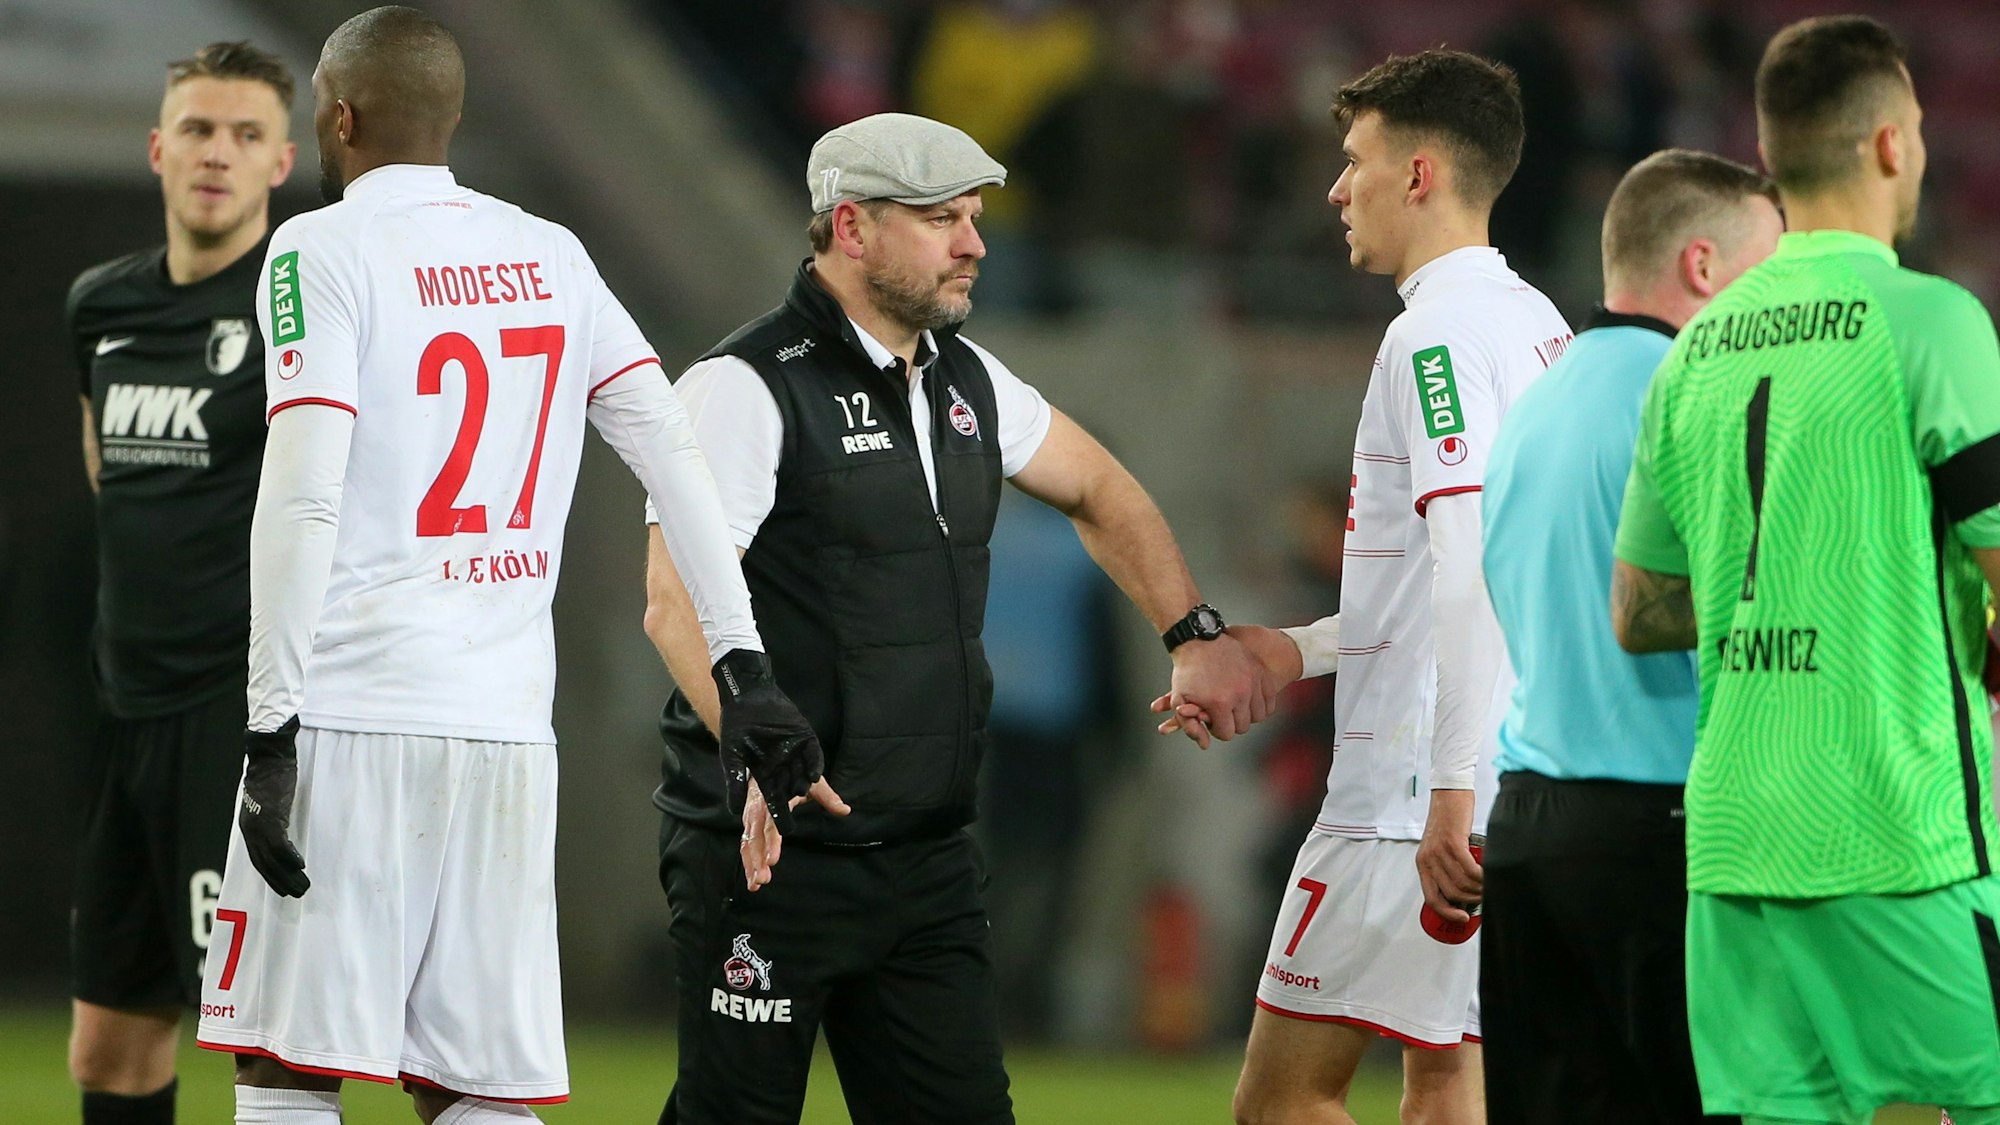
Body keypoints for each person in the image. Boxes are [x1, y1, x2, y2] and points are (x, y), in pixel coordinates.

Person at [191, 9, 823, 1124]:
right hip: (508, 737)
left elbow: (303, 491)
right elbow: (670, 450)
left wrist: (270, 725)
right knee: (473, 1085)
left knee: (285, 1067)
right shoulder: (551, 253)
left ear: (339, 117)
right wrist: (745, 666)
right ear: (453, 116)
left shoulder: (318, 248)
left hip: (353, 711)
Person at [641, 111, 1270, 1125]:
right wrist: (750, 737)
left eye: (973, 217)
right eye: (941, 219)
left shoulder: (969, 378)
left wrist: (1190, 632)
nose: (974, 243)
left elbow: (1101, 488)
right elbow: (672, 600)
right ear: (852, 228)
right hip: (771, 853)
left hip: (925, 857)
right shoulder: (742, 386)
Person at [1161, 49, 1573, 1125]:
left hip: (1410, 802)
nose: (1338, 189)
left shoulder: (1432, 336)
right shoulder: (1541, 327)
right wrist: (1297, 649)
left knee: (1280, 1100)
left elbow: (1470, 565)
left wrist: (1449, 791)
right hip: (1518, 776)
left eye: (1355, 161)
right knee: (1446, 1085)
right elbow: (1501, 576)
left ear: (1419, 174)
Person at [1611, 15, 2000, 1125]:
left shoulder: (1691, 350)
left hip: (1734, 843)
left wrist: (1785, 589)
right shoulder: (1931, 322)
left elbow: (1636, 611)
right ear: (1889, 142)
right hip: (1897, 828)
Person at [1480, 149, 1781, 1125]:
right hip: (1660, 831)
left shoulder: (1533, 405)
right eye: (1768, 269)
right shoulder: (1701, 397)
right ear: (1702, 265)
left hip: (1528, 829)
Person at [63, 41, 297, 1125]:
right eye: (199, 129)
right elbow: (105, 468)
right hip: (128, 716)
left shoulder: (298, 313)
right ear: (159, 149)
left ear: (281, 164)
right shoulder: (99, 305)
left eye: (246, 135)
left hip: (233, 723)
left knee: (267, 1049)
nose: (218, 153)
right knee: (110, 1048)